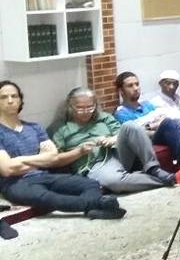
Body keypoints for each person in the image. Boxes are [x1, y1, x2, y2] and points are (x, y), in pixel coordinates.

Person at [0, 81, 126, 221]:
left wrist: (20, 160)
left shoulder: (34, 128)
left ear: (20, 100)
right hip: (14, 183)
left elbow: (53, 157)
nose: (10, 100)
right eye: (4, 97)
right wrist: (42, 159)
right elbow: (8, 169)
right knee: (46, 197)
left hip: (43, 175)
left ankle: (93, 208)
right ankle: (98, 204)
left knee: (90, 184)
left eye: (14, 96)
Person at [49, 87, 175, 193]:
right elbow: (56, 160)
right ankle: (164, 180)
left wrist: (112, 139)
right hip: (94, 165)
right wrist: (79, 151)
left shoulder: (103, 118)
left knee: (130, 126)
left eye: (90, 107)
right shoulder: (59, 128)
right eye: (80, 108)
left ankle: (153, 168)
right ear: (70, 107)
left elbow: (122, 133)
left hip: (116, 153)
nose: (86, 112)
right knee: (114, 181)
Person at [114, 72, 180, 168]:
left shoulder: (146, 104)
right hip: (151, 142)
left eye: (137, 84)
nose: (136, 88)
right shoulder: (121, 113)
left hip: (170, 135)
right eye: (130, 86)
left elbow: (163, 116)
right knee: (167, 123)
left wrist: (154, 124)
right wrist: (154, 126)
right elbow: (137, 134)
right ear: (121, 91)